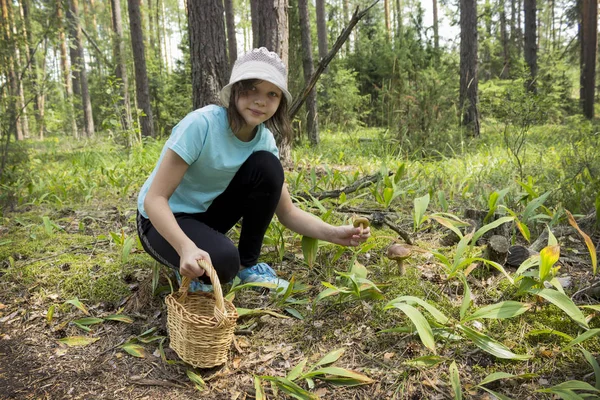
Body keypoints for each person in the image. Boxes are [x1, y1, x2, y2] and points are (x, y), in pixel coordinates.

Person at [136, 47, 370, 292]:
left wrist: (334, 234)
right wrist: (185, 246)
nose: (261, 101)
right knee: (224, 263)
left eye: (272, 94)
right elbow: (155, 199)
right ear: (236, 89)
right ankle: (186, 260)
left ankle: (247, 267)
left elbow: (287, 212)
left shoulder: (264, 141)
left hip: (204, 217)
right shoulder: (201, 125)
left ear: (279, 103)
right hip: (158, 220)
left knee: (268, 166)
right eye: (252, 89)